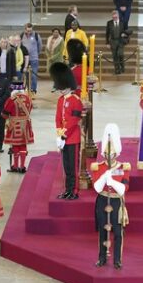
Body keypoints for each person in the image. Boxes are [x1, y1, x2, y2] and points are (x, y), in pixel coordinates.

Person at [91, 123, 130, 269]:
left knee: (118, 232)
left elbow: (123, 189)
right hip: (102, 199)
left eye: (111, 153)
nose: (109, 156)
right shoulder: (99, 167)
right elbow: (96, 187)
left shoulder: (123, 168)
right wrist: (103, 177)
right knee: (102, 230)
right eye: (107, 153)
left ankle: (117, 260)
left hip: (116, 202)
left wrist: (111, 180)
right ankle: (102, 258)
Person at [53, 62, 84, 200]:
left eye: (62, 88)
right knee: (66, 166)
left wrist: (64, 133)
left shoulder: (76, 100)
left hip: (72, 137)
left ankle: (74, 190)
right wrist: (59, 134)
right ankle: (67, 189)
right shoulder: (60, 100)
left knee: (73, 166)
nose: (61, 90)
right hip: (64, 137)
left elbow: (74, 120)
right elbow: (58, 118)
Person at [2, 80, 34, 173]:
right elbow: (30, 109)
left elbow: (4, 114)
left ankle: (15, 166)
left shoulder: (11, 100)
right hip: (26, 125)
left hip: (15, 125)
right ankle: (22, 166)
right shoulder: (28, 98)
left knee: (15, 146)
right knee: (23, 145)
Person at [21, 23, 43, 95]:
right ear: (25, 29)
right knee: (26, 75)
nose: (29, 32)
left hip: (34, 59)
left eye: (30, 30)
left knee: (33, 75)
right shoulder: (21, 36)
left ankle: (33, 90)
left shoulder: (36, 35)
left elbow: (40, 46)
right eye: (27, 31)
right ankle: (26, 89)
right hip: (25, 59)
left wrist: (36, 53)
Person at [106, 10, 127, 75]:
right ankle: (117, 70)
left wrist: (125, 35)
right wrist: (107, 43)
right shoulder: (109, 23)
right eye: (113, 15)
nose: (114, 16)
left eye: (115, 15)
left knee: (120, 54)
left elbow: (126, 31)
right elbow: (107, 33)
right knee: (115, 56)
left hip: (120, 41)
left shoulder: (122, 22)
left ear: (118, 15)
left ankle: (122, 67)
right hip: (113, 41)